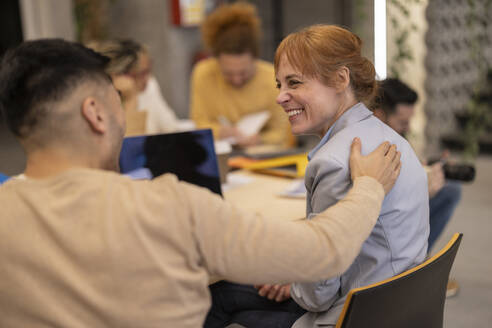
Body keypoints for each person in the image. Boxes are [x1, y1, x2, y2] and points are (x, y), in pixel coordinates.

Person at [0, 39, 402, 328]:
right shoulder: (169, 207)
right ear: (96, 114)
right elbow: (325, 253)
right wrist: (368, 186)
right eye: (119, 100)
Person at [205, 25, 429, 328]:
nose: (280, 98)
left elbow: (316, 297)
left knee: (217, 296)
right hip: (391, 305)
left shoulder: (336, 161)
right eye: (279, 85)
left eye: (294, 83)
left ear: (340, 79)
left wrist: (294, 275)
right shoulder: (389, 138)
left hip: (349, 315)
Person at [372, 77, 463, 297]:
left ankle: (416, 264)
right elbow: (376, 202)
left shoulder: (391, 135)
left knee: (450, 189)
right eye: (403, 122)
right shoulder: (368, 142)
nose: (408, 128)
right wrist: (422, 192)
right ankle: (410, 270)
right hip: (375, 223)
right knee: (446, 192)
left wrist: (425, 167)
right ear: (379, 114)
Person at [190, 2, 291, 148]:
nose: (237, 80)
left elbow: (283, 133)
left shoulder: (273, 79)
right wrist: (221, 132)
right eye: (228, 74)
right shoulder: (203, 74)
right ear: (216, 61)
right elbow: (199, 123)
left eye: (243, 73)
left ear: (255, 58)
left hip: (262, 156)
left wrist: (260, 140)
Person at [87, 39, 182, 135]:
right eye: (143, 73)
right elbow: (127, 145)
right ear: (116, 76)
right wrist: (131, 100)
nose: (148, 79)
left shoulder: (150, 87)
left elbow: (171, 129)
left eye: (149, 70)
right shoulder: (96, 105)